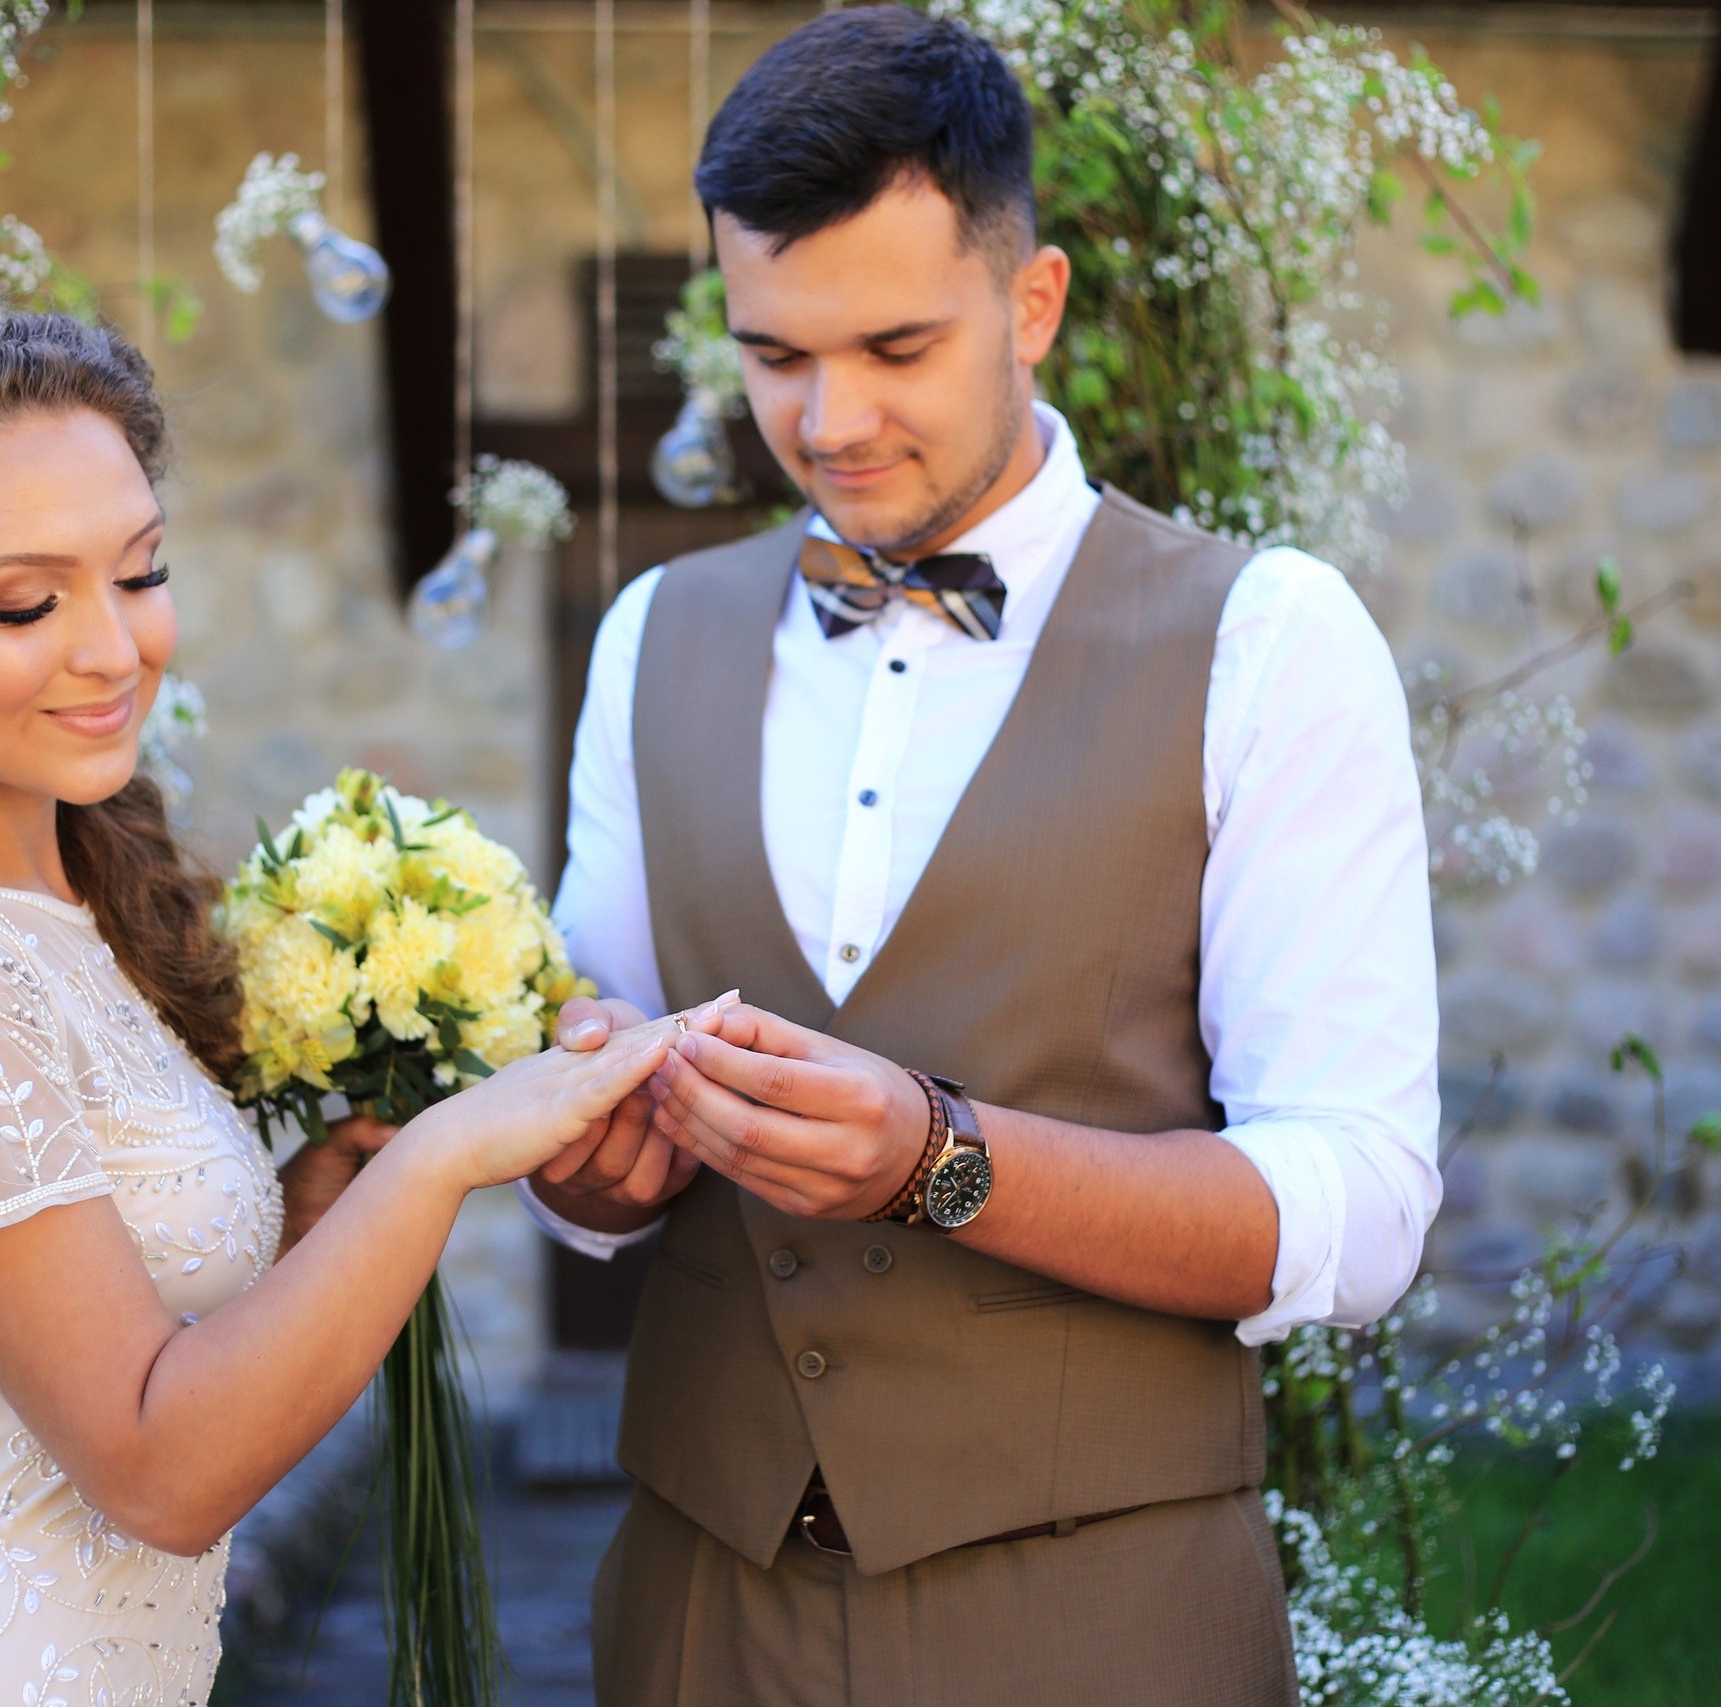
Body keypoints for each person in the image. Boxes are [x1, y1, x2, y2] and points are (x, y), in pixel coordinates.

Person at [523, 9, 1440, 1702]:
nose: (829, 418)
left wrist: (936, 1157)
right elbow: (587, 1173)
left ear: (1034, 305)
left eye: (893, 346)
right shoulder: (653, 633)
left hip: (1103, 1617)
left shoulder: (1270, 640)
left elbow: (1361, 1208)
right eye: (775, 355)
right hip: (696, 1612)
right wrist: (593, 1152)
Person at [0, 311, 699, 1703]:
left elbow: (115, 1341)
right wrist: (449, 1156)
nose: (111, 650)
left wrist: (312, 1218)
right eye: (24, 605)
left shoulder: (56, 902)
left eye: (138, 575)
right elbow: (160, 1469)